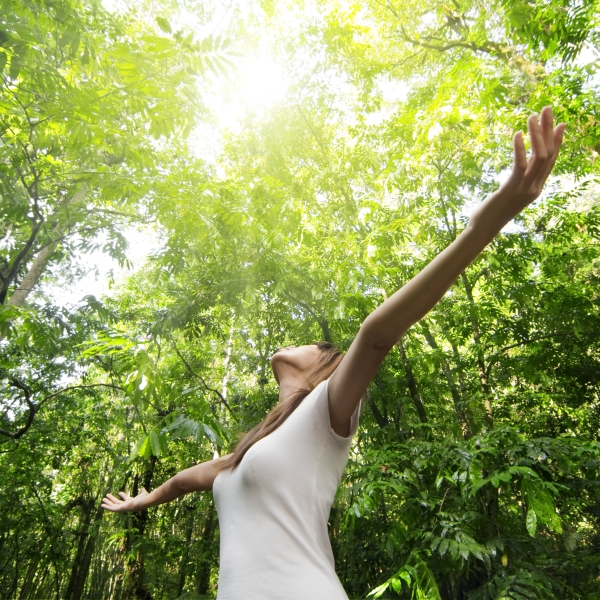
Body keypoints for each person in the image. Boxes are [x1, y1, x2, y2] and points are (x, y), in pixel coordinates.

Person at [102, 107, 565, 599]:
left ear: (321, 367)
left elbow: (375, 335)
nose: (294, 343)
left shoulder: (327, 411)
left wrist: (487, 221)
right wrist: (142, 501)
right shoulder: (241, 457)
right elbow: (181, 481)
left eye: (313, 344)